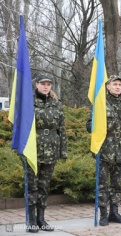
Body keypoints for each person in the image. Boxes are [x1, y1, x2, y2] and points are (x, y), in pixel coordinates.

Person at [86, 75, 121, 226]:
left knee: (117, 183)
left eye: (120, 84)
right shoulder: (100, 103)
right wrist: (97, 122)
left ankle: (114, 212)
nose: (117, 87)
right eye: (114, 84)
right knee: (103, 183)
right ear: (107, 86)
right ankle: (103, 214)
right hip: (104, 147)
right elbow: (89, 126)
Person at [26, 74, 67, 233]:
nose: (46, 86)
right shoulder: (28, 102)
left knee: (44, 186)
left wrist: (63, 150)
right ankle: (31, 220)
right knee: (32, 185)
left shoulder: (56, 104)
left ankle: (41, 218)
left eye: (48, 84)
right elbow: (21, 125)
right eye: (43, 83)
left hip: (51, 148)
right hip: (33, 149)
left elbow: (61, 128)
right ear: (36, 84)